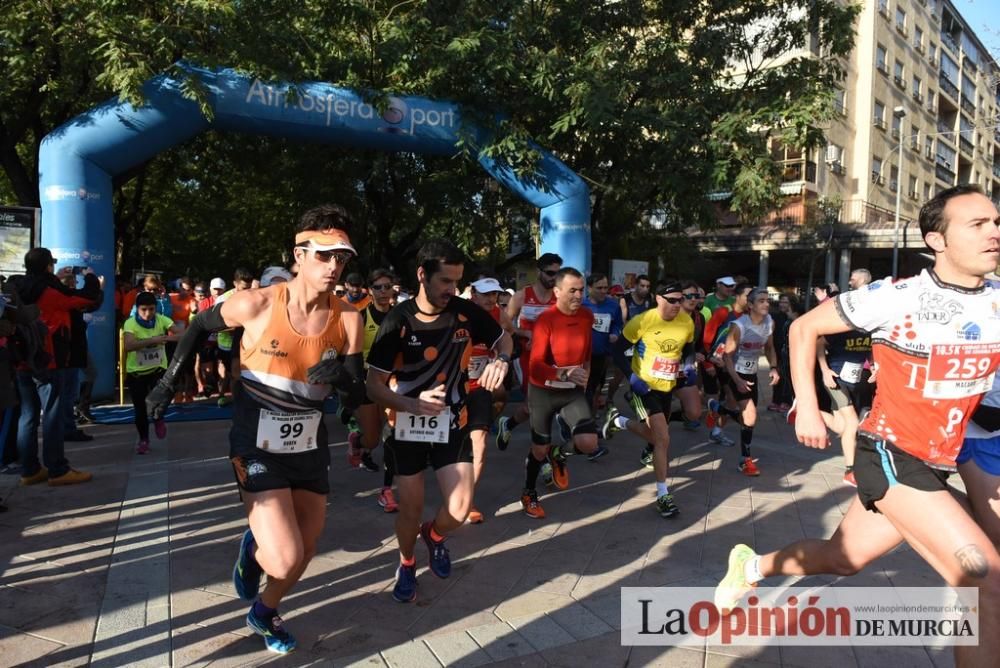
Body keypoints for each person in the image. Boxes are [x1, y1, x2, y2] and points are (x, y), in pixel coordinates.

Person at [714, 185, 1000, 668]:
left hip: (941, 461)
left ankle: (752, 565)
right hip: (890, 454)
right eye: (978, 224)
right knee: (987, 582)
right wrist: (807, 404)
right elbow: (805, 328)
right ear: (937, 239)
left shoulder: (995, 302)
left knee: (844, 559)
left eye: (996, 222)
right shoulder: (898, 296)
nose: (995, 232)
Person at [147, 204, 366, 654]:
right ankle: (256, 548)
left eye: (340, 257)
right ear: (298, 255)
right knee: (283, 555)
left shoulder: (349, 318)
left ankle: (263, 610)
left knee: (303, 552)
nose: (333, 265)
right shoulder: (256, 303)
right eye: (323, 255)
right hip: (255, 439)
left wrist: (341, 378)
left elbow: (357, 390)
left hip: (308, 442)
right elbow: (195, 330)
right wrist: (169, 382)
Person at [366, 239, 511, 603]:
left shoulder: (466, 312)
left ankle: (434, 536)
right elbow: (373, 387)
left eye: (457, 281)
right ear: (422, 275)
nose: (453, 289)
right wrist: (412, 404)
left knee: (460, 510)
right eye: (445, 281)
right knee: (410, 511)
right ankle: (406, 562)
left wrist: (501, 360)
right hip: (407, 427)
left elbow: (504, 340)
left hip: (453, 421)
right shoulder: (397, 322)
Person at [602, 281, 695, 518]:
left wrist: (688, 364)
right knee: (663, 439)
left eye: (680, 300)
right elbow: (617, 350)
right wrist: (633, 378)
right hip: (644, 388)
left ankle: (618, 422)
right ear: (659, 299)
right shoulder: (642, 321)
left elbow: (688, 347)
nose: (677, 304)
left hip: (667, 387)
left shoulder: (686, 321)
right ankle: (663, 494)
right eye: (672, 300)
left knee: (658, 438)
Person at [13, 248, 101, 487]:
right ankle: (57, 469)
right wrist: (91, 276)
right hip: (48, 360)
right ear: (47, 267)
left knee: (28, 415)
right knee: (52, 414)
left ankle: (30, 470)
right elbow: (86, 298)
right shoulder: (49, 292)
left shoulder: (18, 288)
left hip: (23, 359)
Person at [520, 268, 603, 519]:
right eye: (572, 291)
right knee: (538, 450)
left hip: (572, 391)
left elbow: (586, 350)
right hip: (543, 391)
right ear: (557, 292)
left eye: (581, 290)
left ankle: (560, 453)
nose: (578, 295)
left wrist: (585, 375)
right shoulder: (546, 320)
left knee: (589, 443)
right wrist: (563, 374)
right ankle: (529, 492)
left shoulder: (587, 316)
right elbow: (535, 366)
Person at [496, 253, 561, 450]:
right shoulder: (522, 296)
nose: (553, 278)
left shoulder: (559, 297)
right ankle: (542, 456)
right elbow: (505, 326)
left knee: (533, 407)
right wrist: (526, 333)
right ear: (539, 271)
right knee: (539, 405)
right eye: (550, 273)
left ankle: (508, 424)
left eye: (557, 274)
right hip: (527, 358)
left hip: (550, 358)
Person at [466, 277, 515, 522]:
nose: (490, 299)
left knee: (480, 445)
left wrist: (500, 357)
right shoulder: (457, 313)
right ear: (472, 293)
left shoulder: (497, 313)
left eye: (494, 294)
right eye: (485, 294)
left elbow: (509, 335)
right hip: (450, 391)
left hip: (479, 387)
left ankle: (467, 501)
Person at [721, 287, 780, 476]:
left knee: (742, 416)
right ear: (751, 305)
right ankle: (744, 460)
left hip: (752, 374)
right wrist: (737, 380)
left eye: (768, 300)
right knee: (750, 416)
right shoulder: (739, 326)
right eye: (761, 300)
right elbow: (727, 356)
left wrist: (773, 367)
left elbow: (770, 348)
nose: (766, 304)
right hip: (735, 373)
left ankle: (716, 409)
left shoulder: (770, 322)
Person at [815, 326, 872, 486]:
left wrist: (873, 365)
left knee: (842, 427)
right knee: (852, 424)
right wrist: (825, 370)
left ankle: (807, 411)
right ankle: (850, 471)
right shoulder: (844, 327)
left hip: (853, 380)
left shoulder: (872, 327)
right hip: (835, 378)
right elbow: (819, 344)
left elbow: (869, 350)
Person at [123, 292, 179, 453]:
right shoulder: (130, 324)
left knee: (163, 397)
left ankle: (158, 418)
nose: (148, 314)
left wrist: (166, 338)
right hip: (137, 372)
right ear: (137, 309)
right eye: (144, 310)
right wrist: (152, 341)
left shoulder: (162, 320)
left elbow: (181, 334)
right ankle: (144, 439)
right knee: (140, 409)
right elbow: (128, 345)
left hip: (157, 370)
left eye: (151, 309)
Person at [581, 272, 623, 413]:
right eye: (599, 288)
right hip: (582, 355)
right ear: (590, 288)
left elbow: (617, 324)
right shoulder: (581, 305)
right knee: (583, 386)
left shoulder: (613, 306)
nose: (604, 291)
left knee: (596, 386)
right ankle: (583, 418)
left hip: (602, 353)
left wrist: (615, 333)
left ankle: (590, 418)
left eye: (606, 288)